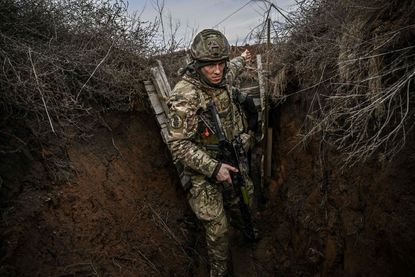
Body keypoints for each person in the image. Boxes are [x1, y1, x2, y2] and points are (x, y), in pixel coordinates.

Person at [167, 29, 255, 277]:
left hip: (233, 157)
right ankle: (219, 271)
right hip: (203, 169)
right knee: (218, 229)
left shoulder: (225, 74)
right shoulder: (185, 95)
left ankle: (248, 233)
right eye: (209, 66)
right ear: (197, 65)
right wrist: (214, 169)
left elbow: (234, 66)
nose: (217, 71)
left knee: (245, 199)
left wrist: (243, 58)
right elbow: (179, 145)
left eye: (221, 64)